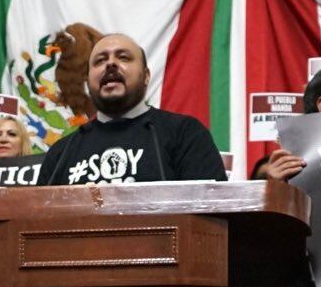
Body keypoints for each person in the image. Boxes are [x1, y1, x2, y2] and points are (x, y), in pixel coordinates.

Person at [38, 34, 226, 186]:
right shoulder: (61, 154)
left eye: (123, 57)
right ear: (88, 81)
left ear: (145, 76)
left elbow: (210, 217)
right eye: (100, 61)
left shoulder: (185, 133)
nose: (110, 64)